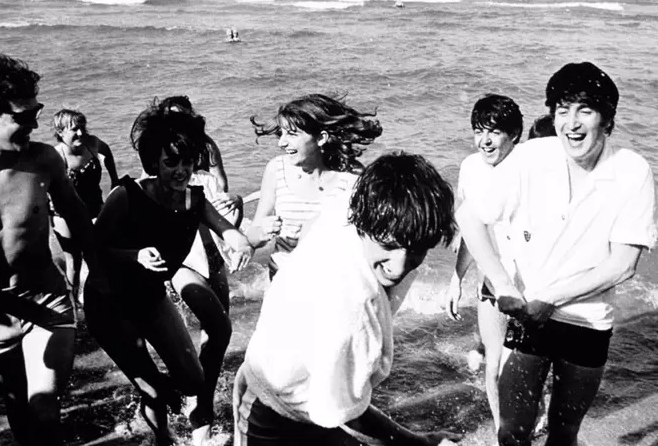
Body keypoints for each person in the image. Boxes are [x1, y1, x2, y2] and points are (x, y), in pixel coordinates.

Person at [456, 61, 657, 446]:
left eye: (585, 110)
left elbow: (623, 264)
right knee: (512, 431)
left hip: (588, 322)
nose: (571, 122)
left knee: (564, 431)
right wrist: (501, 283)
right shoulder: (533, 157)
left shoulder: (632, 171)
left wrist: (551, 298)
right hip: (531, 318)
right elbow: (469, 217)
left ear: (608, 121)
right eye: (562, 110)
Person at [233, 152, 462, 446]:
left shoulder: (353, 205)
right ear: (363, 224)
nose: (400, 266)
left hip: (301, 389)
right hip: (271, 413)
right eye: (388, 246)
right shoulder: (353, 306)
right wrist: (421, 442)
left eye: (417, 249)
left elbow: (320, 216)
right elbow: (347, 417)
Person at [83, 100, 254, 446]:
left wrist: (242, 243)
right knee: (154, 391)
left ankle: (159, 394)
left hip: (150, 299)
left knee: (192, 381)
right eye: (171, 161)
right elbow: (93, 250)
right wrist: (135, 256)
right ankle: (162, 433)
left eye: (188, 161)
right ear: (152, 161)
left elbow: (227, 230)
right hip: (108, 303)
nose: (182, 170)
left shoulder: (194, 199)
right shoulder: (127, 195)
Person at [0, 54, 101, 445]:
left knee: (44, 408)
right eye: (23, 116)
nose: (34, 124)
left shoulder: (44, 160)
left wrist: (119, 264)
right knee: (18, 410)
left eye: (37, 112)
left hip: (46, 303)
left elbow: (81, 224)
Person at [444, 94, 523, 434]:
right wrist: (456, 278)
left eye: (493, 132)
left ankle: (532, 415)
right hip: (491, 282)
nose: (484, 141)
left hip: (531, 282)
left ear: (515, 135)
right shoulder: (470, 167)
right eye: (478, 131)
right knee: (494, 362)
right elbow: (468, 228)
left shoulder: (529, 169)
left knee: (526, 362)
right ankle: (503, 432)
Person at [248, 93, 382, 278]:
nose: (281, 142)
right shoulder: (276, 169)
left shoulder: (352, 177)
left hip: (332, 281)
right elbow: (252, 237)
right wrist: (262, 232)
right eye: (282, 133)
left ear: (321, 138)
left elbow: (370, 240)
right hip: (282, 281)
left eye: (292, 134)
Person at [51, 108, 119, 302]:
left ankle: (101, 303)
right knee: (74, 261)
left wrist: (114, 179)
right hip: (64, 214)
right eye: (74, 129)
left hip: (93, 205)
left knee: (98, 256)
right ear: (60, 132)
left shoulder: (93, 143)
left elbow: (107, 152)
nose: (80, 133)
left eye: (82, 127)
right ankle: (72, 308)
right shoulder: (57, 157)